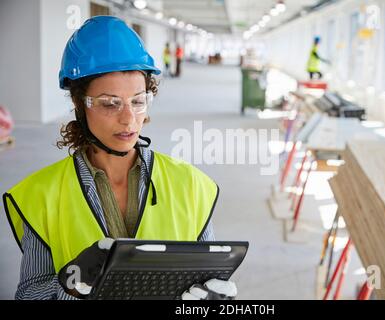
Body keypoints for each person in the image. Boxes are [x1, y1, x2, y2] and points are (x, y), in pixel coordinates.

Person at [3, 16, 236, 300]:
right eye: (109, 103)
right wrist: (66, 287)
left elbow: (204, 280)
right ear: (79, 104)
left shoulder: (191, 185)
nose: (129, 119)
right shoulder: (41, 195)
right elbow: (28, 294)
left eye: (138, 101)